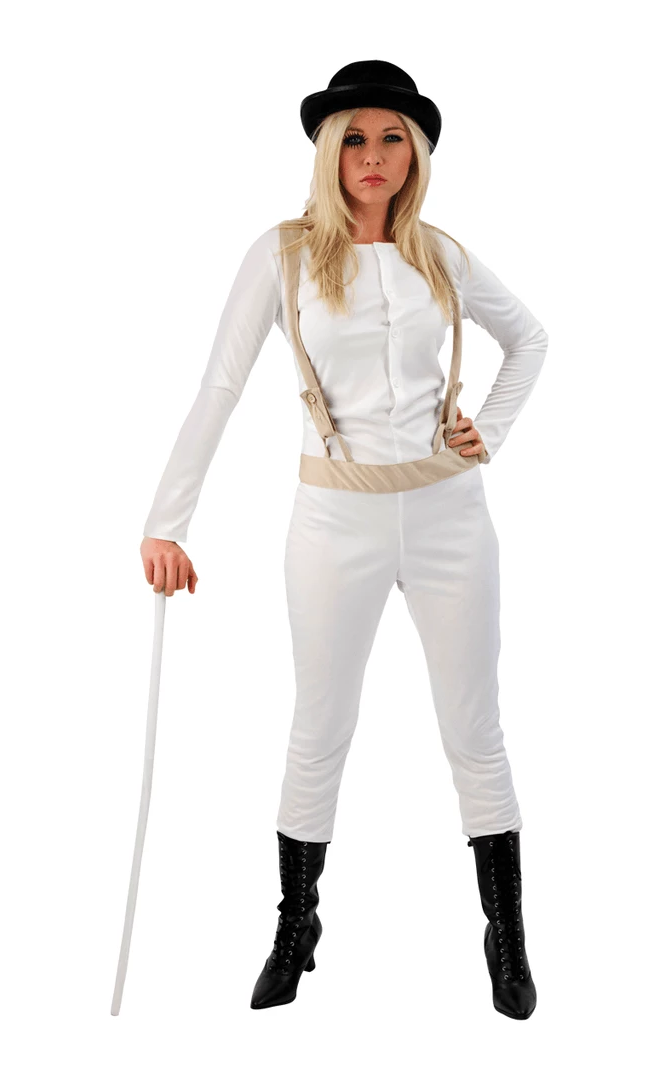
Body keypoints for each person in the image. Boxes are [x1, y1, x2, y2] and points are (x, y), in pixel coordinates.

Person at [140, 60, 548, 1019]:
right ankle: (296, 926)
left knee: (474, 729)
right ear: (329, 151)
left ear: (416, 154)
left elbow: (529, 338)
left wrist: (488, 430)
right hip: (334, 518)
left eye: (392, 137)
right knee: (319, 728)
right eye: (355, 137)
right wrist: (167, 521)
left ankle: (506, 935)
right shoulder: (283, 254)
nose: (373, 155)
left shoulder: (439, 254)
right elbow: (220, 385)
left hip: (449, 514)